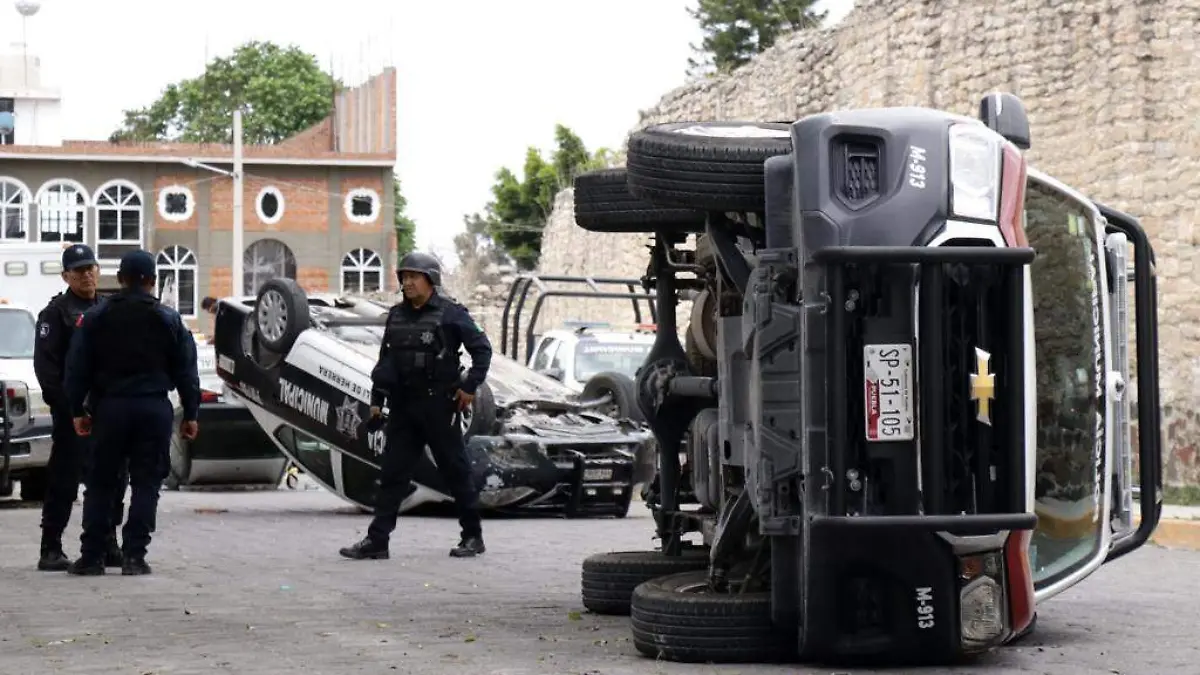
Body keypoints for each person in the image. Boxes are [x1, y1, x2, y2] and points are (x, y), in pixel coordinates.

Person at [339, 251, 493, 561]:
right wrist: (377, 401)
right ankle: (377, 541)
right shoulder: (396, 316)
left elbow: (482, 350)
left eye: (414, 276)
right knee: (392, 474)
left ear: (430, 280)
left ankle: (473, 536)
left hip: (440, 406)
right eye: (404, 276)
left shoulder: (451, 314)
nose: (407, 282)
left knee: (455, 471)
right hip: (404, 406)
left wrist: (468, 387)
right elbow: (386, 362)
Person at [62, 249, 201, 576]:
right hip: (153, 409)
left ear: (121, 279)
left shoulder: (97, 317)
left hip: (110, 409)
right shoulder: (168, 319)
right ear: (152, 280)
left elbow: (77, 367)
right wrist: (192, 413)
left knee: (100, 482)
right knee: (146, 483)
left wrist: (76, 410)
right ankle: (134, 557)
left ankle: (93, 556)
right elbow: (187, 371)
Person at [32, 244, 127, 572]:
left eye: (91, 268)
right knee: (65, 478)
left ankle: (109, 542)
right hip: (73, 414)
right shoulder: (56, 313)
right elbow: (47, 369)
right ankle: (51, 547)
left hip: (106, 410)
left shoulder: (108, 308)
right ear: (66, 276)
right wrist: (70, 410)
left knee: (113, 477)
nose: (87, 274)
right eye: (79, 270)